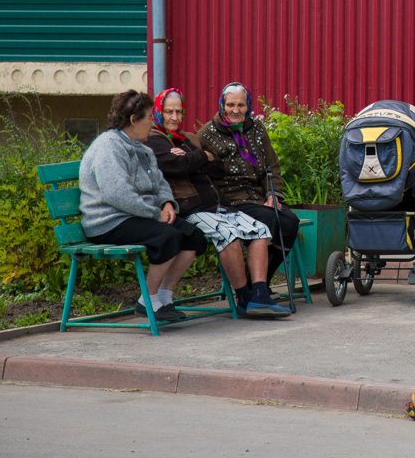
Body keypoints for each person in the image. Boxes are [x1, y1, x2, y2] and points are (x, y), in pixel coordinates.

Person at [147, 88, 291, 318]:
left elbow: (216, 168)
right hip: (189, 207)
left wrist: (193, 159)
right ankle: (244, 297)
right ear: (158, 113)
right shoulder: (154, 139)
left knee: (261, 231)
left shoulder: (188, 139)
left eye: (178, 111)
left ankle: (260, 295)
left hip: (216, 205)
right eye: (168, 112)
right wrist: (201, 157)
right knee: (229, 236)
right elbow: (176, 166)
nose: (174, 117)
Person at [78, 90, 207, 322]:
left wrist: (167, 203)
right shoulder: (109, 147)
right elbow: (118, 195)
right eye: (149, 117)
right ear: (133, 120)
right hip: (109, 221)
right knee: (168, 237)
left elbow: (159, 183)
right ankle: (147, 300)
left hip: (138, 216)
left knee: (194, 236)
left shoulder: (143, 148)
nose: (153, 122)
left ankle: (164, 298)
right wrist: (154, 213)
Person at [198, 83, 301, 284]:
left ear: (248, 106)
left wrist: (273, 194)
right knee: (269, 221)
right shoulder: (206, 134)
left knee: (290, 223)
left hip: (260, 197)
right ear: (222, 105)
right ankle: (255, 285)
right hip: (231, 200)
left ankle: (260, 282)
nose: (236, 110)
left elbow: (272, 165)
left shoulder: (256, 128)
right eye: (230, 105)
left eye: (241, 105)